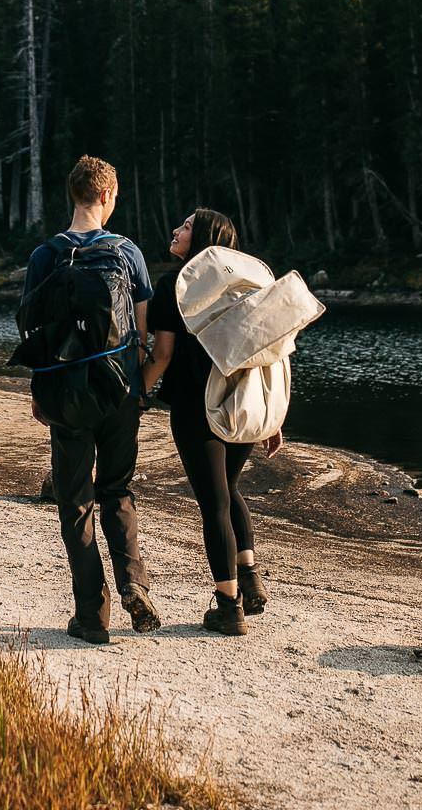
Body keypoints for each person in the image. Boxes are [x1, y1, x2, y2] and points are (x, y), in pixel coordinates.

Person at [22, 155, 160, 644]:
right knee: (118, 490)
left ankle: (91, 616)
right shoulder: (126, 253)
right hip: (118, 390)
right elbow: (141, 334)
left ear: (73, 195)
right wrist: (140, 388)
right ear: (105, 196)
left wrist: (41, 394)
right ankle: (133, 583)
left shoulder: (45, 255)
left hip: (65, 392)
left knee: (75, 502)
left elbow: (34, 331)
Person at [141, 208, 283, 636]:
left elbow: (162, 356)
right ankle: (251, 577)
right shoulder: (247, 287)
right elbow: (267, 357)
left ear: (201, 236)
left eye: (184, 226)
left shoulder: (175, 286)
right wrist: (271, 417)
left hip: (196, 407)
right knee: (229, 490)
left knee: (214, 503)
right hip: (243, 405)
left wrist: (137, 396)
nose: (175, 230)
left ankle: (228, 607)